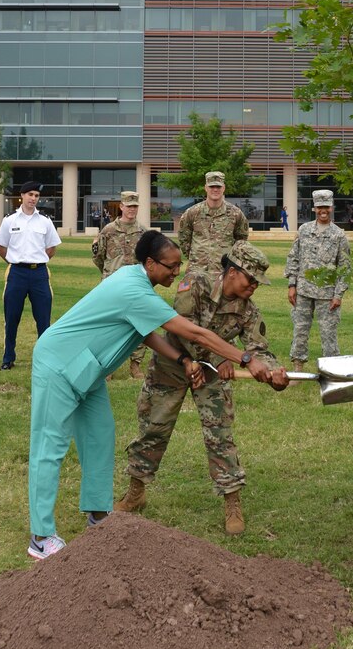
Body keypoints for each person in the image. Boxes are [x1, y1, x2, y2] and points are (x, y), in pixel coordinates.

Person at [27, 230, 287, 561]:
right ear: (150, 264)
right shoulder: (133, 289)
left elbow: (146, 331)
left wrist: (184, 358)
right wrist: (245, 359)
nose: (177, 272)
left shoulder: (135, 281)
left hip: (87, 370)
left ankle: (98, 513)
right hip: (59, 363)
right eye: (171, 266)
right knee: (50, 447)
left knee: (100, 436)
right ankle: (40, 536)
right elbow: (193, 332)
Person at [117, 242, 284, 535]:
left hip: (212, 375)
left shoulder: (248, 309)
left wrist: (273, 373)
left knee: (220, 434)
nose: (255, 286)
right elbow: (181, 328)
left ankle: (232, 501)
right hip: (172, 364)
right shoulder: (195, 282)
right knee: (154, 428)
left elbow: (259, 349)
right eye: (251, 278)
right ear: (232, 271)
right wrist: (219, 357)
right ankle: (136, 492)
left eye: (258, 281)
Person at [0, 181, 62, 371]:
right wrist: (15, 262)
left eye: (36, 195)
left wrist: (36, 262)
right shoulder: (10, 220)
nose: (33, 198)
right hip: (17, 273)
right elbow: (1, 248)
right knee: (12, 317)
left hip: (39, 274)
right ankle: (8, 358)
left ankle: (45, 359)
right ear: (22, 195)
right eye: (30, 194)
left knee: (43, 319)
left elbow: (51, 248)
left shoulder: (45, 221)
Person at [284, 189, 351, 371]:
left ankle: (332, 372)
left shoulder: (339, 235)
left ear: (332, 207)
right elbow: (294, 258)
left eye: (327, 207)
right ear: (314, 208)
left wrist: (338, 295)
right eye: (320, 206)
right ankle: (298, 369)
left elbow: (344, 268)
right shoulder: (304, 230)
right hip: (303, 291)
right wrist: (292, 284)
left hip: (327, 294)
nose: (324, 210)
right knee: (300, 331)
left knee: (329, 334)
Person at [92, 190, 148, 379]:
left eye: (135, 206)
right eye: (128, 206)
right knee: (110, 325)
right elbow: (98, 257)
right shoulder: (108, 230)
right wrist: (108, 274)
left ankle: (136, 365)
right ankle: (108, 366)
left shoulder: (143, 232)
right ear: (121, 207)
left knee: (138, 324)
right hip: (112, 285)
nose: (131, 209)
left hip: (135, 285)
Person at [178, 170, 249, 273]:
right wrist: (196, 257)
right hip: (197, 272)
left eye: (218, 187)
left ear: (223, 188)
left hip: (224, 272)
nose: (215, 190)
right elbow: (183, 238)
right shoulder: (192, 212)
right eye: (211, 186)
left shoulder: (236, 214)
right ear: (206, 188)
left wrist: (232, 262)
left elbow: (241, 241)